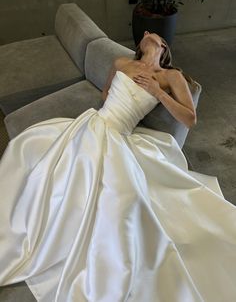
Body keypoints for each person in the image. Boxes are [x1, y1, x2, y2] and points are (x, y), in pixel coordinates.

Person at [0, 30, 236, 302]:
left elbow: (190, 118)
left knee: (122, 198)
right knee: (35, 151)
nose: (146, 33)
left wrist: (157, 91)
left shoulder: (171, 77)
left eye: (152, 33)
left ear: (162, 45)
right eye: (144, 33)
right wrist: (117, 102)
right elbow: (106, 93)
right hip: (95, 123)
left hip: (120, 136)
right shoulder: (122, 63)